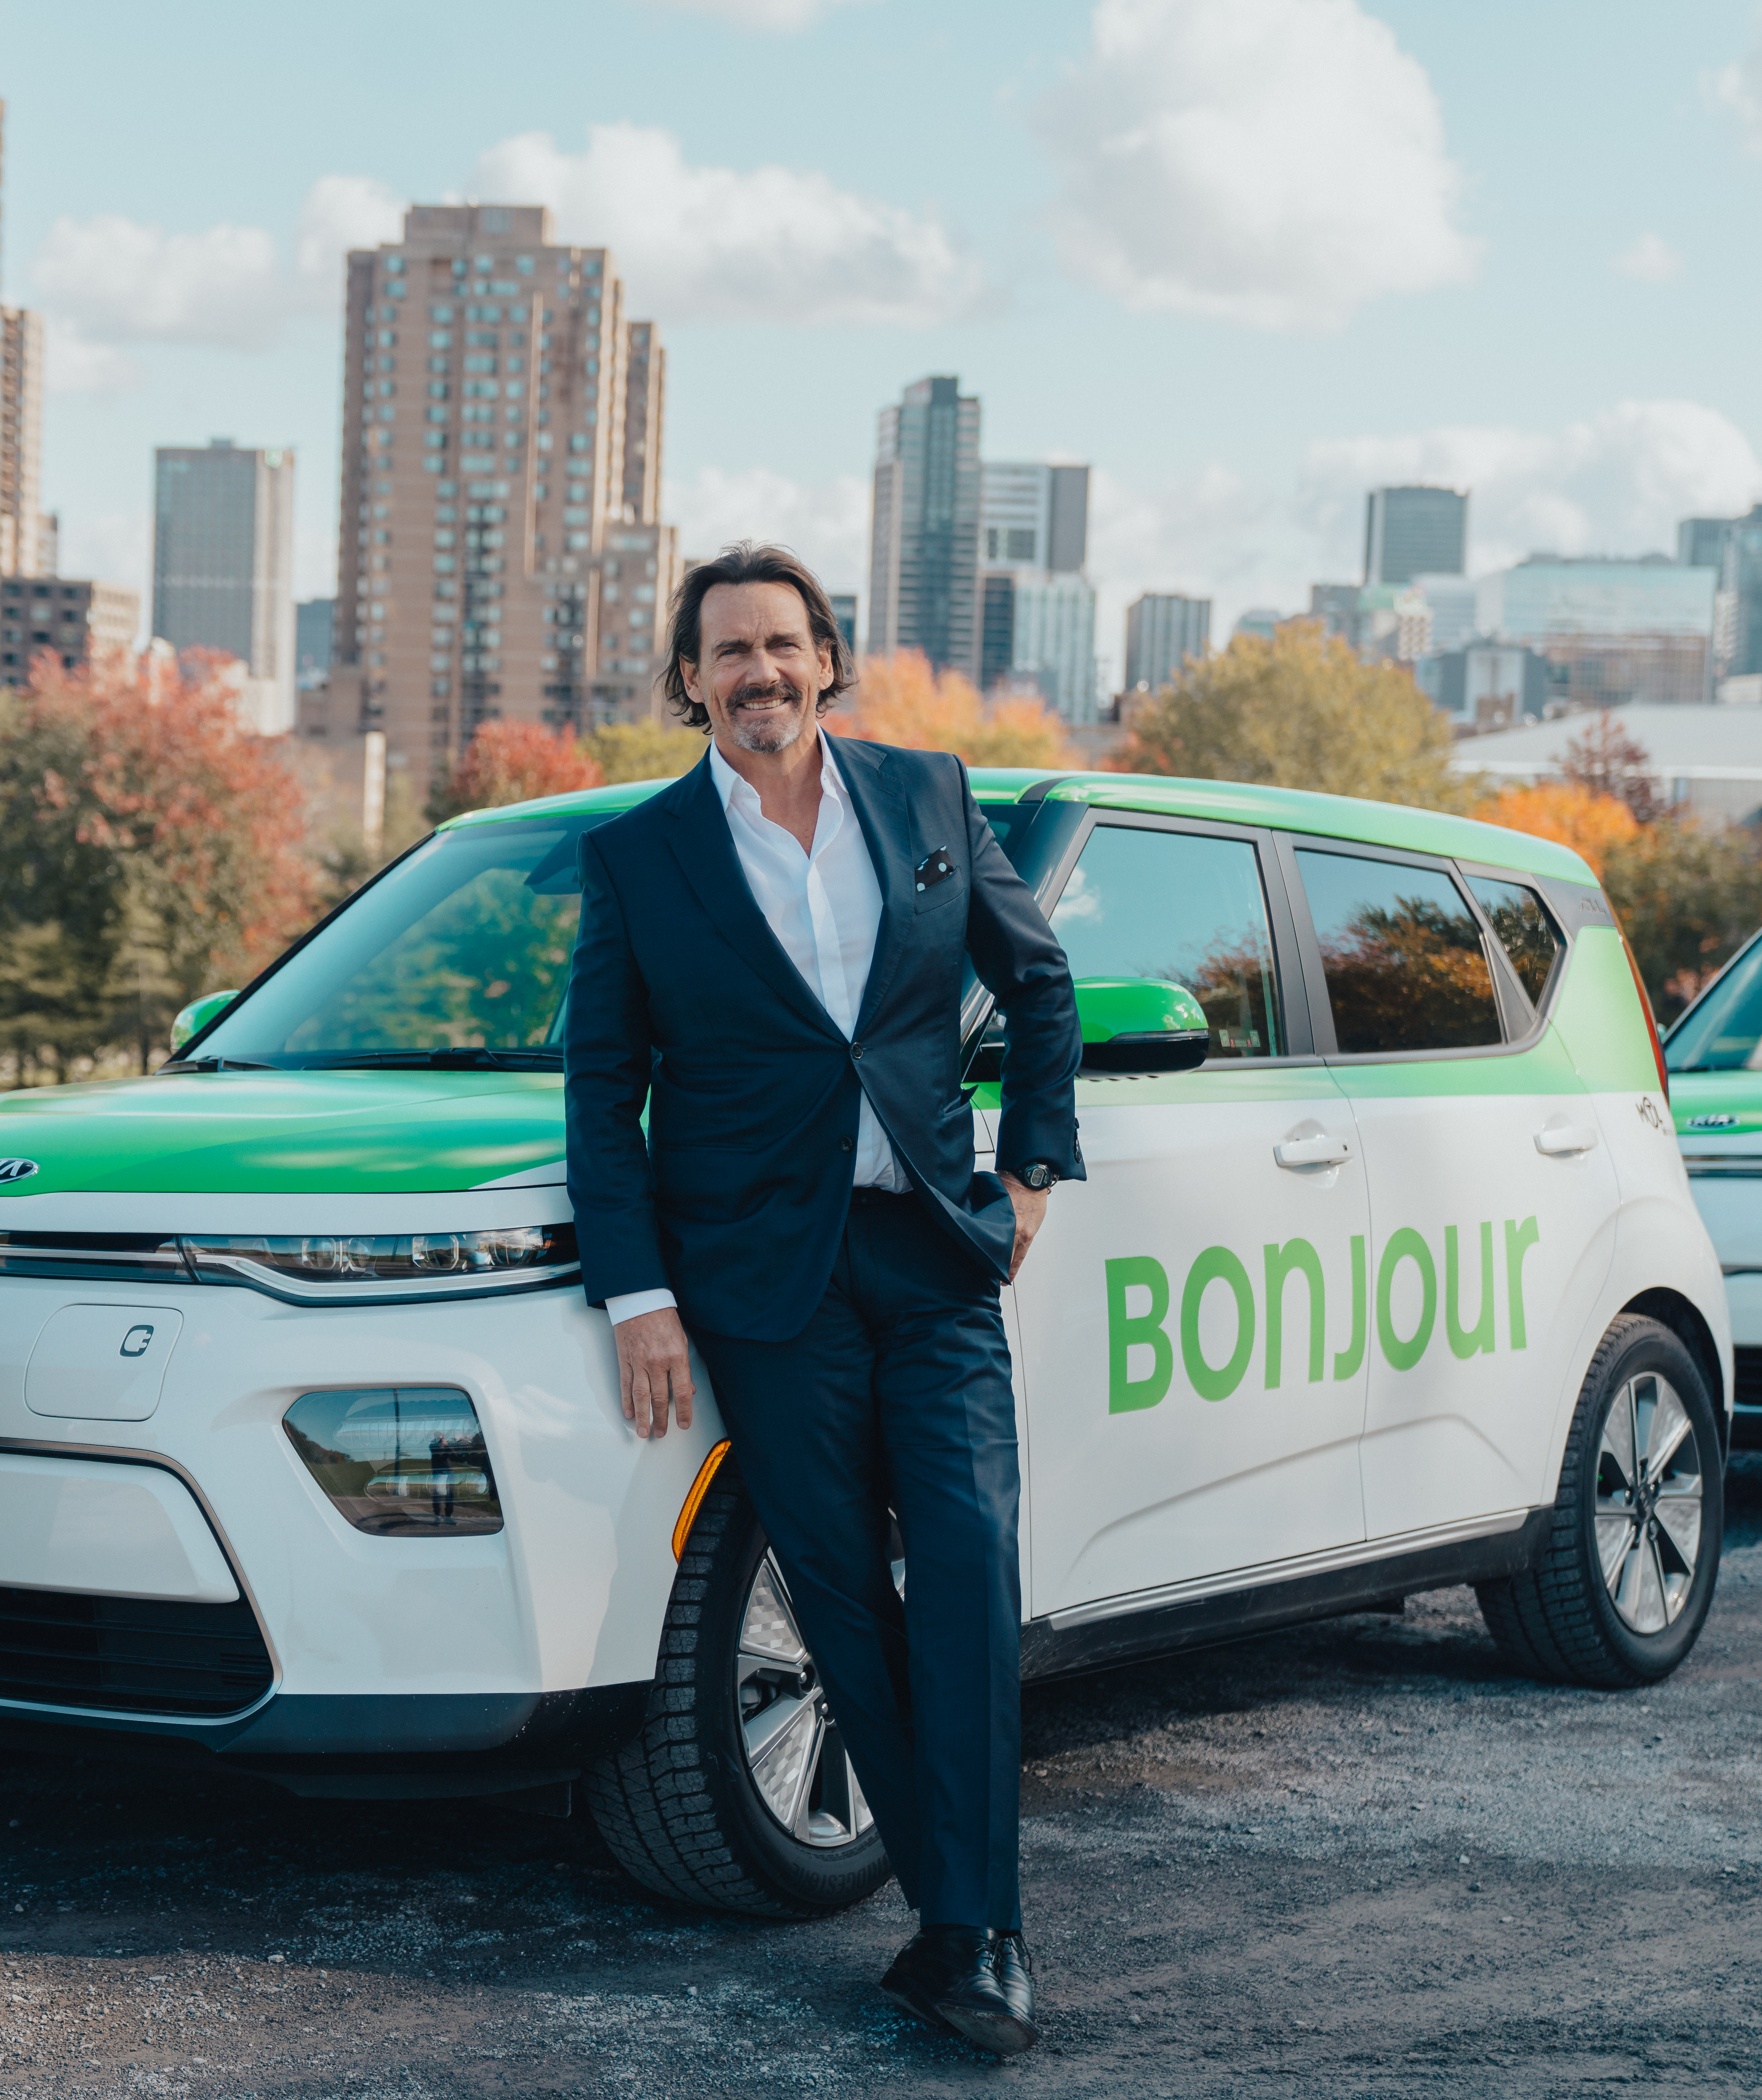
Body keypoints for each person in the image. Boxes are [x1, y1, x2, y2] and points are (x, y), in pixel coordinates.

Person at [562, 542, 1082, 2057]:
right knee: (845, 1598)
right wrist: (636, 1294)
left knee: (974, 1564)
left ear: (828, 655)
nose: (761, 675)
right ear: (689, 680)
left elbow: (1038, 980)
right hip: (759, 1284)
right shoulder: (642, 855)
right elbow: (604, 1090)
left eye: (784, 646)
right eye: (729, 653)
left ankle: (979, 1933)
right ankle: (961, 1929)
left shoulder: (925, 795)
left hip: (931, 1257)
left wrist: (1034, 1166)